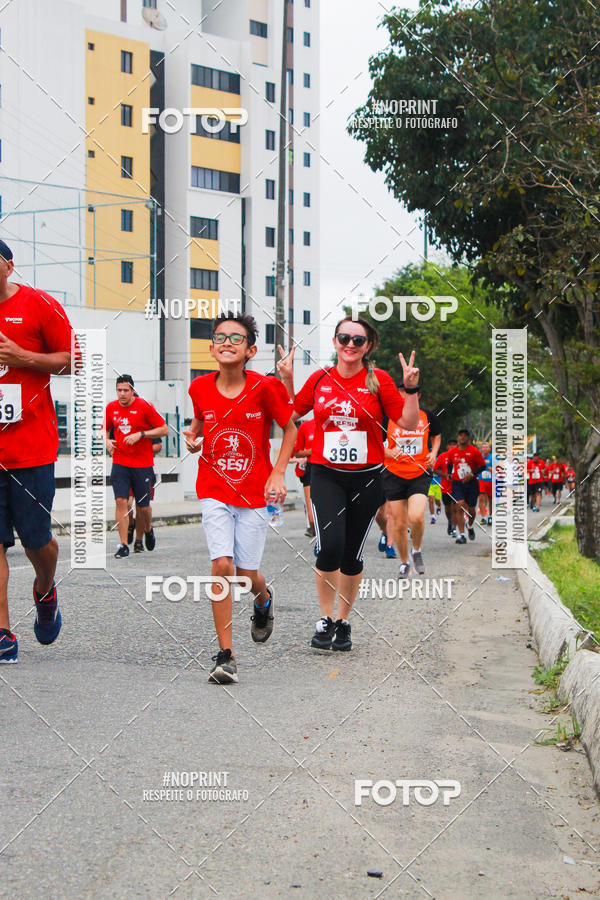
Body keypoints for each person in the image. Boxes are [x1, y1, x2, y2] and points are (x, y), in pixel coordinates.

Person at [278, 316, 419, 651]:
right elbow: (290, 415)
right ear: (335, 341)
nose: (350, 345)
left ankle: (343, 622)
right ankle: (324, 620)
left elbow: (408, 421)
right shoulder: (320, 378)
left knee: (352, 555)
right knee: (330, 546)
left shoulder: (379, 380)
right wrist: (286, 380)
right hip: (326, 474)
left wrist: (410, 387)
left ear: (367, 346)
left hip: (367, 478)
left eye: (358, 340)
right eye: (344, 337)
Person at [185, 313, 296, 685]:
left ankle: (263, 600)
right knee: (222, 566)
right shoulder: (199, 387)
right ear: (211, 347)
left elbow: (290, 428)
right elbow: (200, 420)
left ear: (250, 350)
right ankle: (226, 654)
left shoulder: (265, 388)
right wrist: (193, 434)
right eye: (220, 337)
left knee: (247, 576)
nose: (227, 342)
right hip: (214, 487)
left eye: (236, 338)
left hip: (253, 492)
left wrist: (278, 472)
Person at [0, 240, 74, 665]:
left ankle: (45, 588)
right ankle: (4, 634)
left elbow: (75, 359)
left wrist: (22, 356)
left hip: (31, 450)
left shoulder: (38, 304)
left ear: (8, 266)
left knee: (36, 541)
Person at [104, 375, 168, 557]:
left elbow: (164, 429)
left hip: (142, 464)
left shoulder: (144, 406)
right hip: (120, 463)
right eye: (119, 390)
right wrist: (107, 440)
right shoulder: (111, 408)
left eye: (126, 390)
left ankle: (147, 530)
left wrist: (141, 434)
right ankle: (124, 544)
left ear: (132, 391)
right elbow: (105, 429)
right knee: (121, 501)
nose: (122, 394)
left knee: (143, 507)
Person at [381, 386, 441, 576]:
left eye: (409, 393)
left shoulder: (427, 415)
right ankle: (405, 562)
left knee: (415, 516)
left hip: (419, 473)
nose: (404, 397)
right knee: (399, 523)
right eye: (402, 393)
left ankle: (417, 550)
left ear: (417, 395)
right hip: (394, 474)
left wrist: (434, 452)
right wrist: (387, 451)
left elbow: (437, 435)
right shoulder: (387, 417)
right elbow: (372, 439)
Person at [447, 429, 486, 544]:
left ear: (468, 438)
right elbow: (449, 463)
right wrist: (449, 473)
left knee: (471, 510)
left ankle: (470, 526)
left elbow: (482, 466)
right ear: (458, 437)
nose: (462, 438)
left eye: (465, 436)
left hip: (472, 483)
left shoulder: (474, 451)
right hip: (458, 483)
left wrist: (472, 474)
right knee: (459, 505)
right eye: (460, 436)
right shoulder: (452, 451)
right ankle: (462, 534)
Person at [125, 437, 163, 544]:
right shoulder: (121, 421)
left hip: (144, 469)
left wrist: (139, 449)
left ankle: (142, 536)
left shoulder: (148, 424)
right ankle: (131, 524)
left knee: (142, 508)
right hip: (126, 470)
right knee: (126, 504)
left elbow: (158, 446)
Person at [292, 416, 316, 537]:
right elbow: (294, 453)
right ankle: (311, 527)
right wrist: (300, 459)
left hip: (329, 471)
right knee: (310, 509)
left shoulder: (332, 424)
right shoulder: (305, 427)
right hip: (305, 473)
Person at [434, 438, 458, 537]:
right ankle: (450, 521)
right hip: (445, 486)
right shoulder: (442, 456)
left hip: (457, 486)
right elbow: (435, 469)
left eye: (454, 444)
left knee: (456, 507)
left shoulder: (459, 456)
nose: (452, 446)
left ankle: (454, 527)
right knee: (448, 508)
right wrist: (445, 475)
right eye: (450, 444)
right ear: (447, 446)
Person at [477, 441, 493, 525]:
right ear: (481, 449)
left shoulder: (493, 458)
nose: (485, 449)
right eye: (483, 447)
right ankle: (483, 517)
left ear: (489, 449)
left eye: (487, 447)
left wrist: (492, 470)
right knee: (481, 498)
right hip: (481, 480)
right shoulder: (478, 457)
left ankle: (490, 517)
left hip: (491, 481)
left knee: (491, 500)